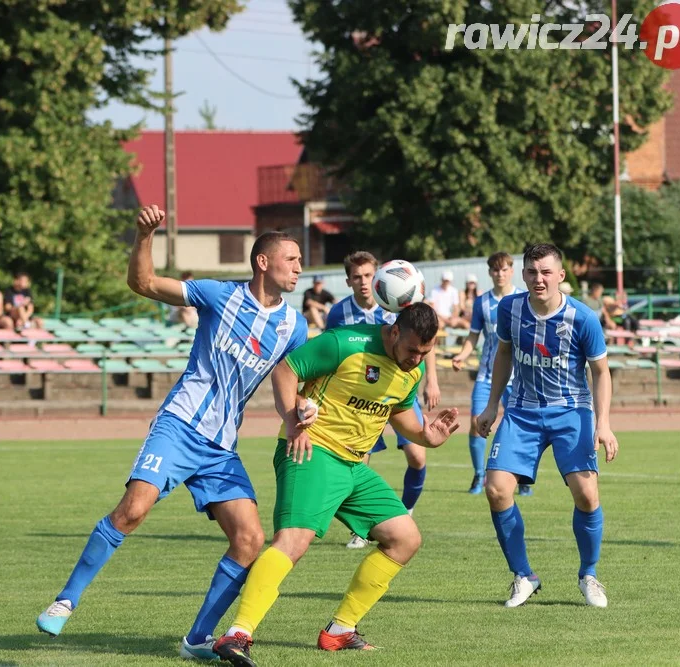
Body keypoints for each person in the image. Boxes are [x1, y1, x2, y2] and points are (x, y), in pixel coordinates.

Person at [36, 205, 308, 661]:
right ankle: (66, 599)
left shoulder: (294, 326)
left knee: (249, 539)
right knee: (133, 511)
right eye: (292, 258)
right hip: (180, 425)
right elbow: (142, 284)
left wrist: (296, 413)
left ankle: (197, 639)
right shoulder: (218, 295)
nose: (299, 267)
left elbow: (285, 391)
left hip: (222, 448)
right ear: (263, 262)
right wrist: (144, 236)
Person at [212, 305, 460, 665]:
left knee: (405, 538)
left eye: (425, 352)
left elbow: (399, 413)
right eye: (412, 351)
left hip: (353, 466)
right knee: (293, 542)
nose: (417, 359)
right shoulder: (345, 343)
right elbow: (286, 369)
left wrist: (426, 436)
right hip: (313, 452)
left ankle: (340, 631)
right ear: (393, 332)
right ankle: (238, 634)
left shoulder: (413, 368)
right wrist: (291, 419)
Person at [476, 243, 618, 609]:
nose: (538, 279)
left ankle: (589, 574)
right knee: (496, 490)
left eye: (545, 272)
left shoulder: (583, 318)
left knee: (587, 495)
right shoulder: (510, 308)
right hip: (522, 411)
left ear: (560, 276)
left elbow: (601, 372)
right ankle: (524, 575)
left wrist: (603, 424)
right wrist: (493, 405)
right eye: (531, 272)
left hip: (571, 412)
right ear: (523, 275)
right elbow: (504, 353)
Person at [324, 252, 442, 549]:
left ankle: (405, 512)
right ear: (349, 280)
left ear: (378, 277)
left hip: (400, 389)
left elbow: (426, 343)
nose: (363, 282)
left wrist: (432, 380)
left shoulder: (400, 305)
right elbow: (330, 354)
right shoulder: (339, 314)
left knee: (418, 456)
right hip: (362, 397)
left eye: (368, 275)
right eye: (357, 277)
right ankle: (360, 527)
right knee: (358, 461)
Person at [451, 253, 531, 495]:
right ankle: (479, 475)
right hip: (487, 375)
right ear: (490, 273)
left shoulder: (522, 299)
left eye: (504, 269)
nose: (500, 274)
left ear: (512, 270)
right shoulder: (482, 302)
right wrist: (463, 355)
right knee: (477, 424)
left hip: (519, 378)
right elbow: (473, 335)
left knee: (521, 427)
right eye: (496, 270)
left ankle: (524, 477)